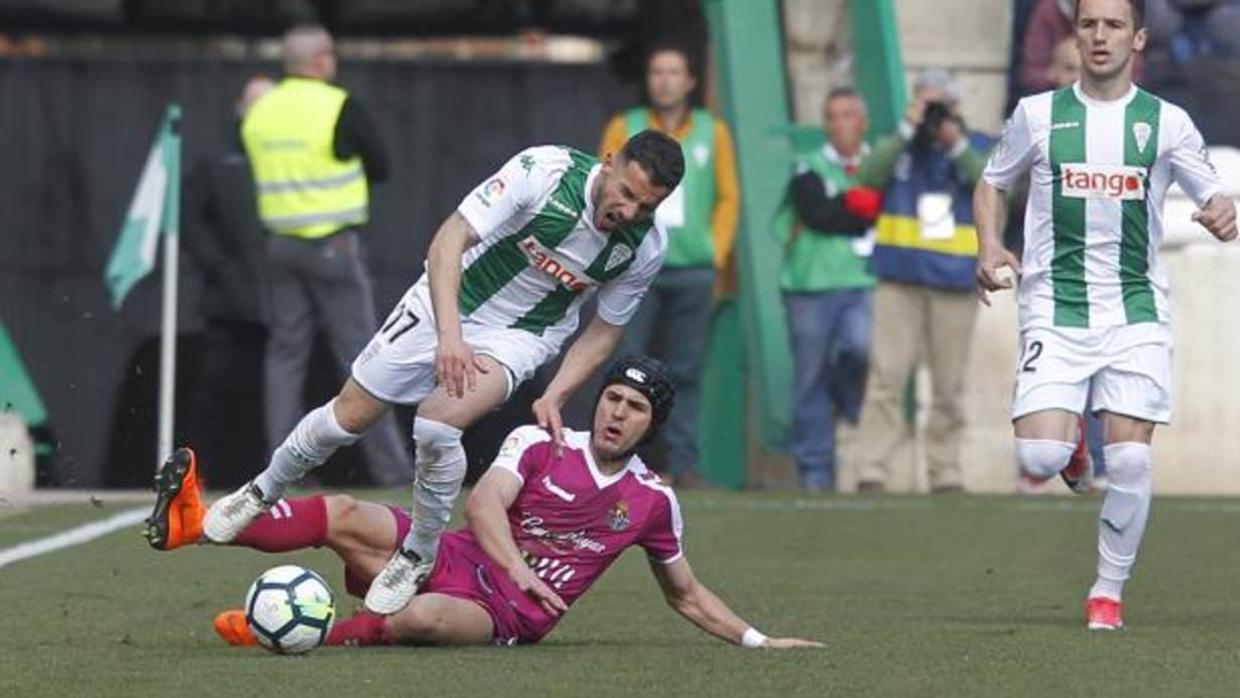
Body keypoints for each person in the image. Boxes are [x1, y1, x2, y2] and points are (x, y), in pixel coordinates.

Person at [203, 129, 686, 618]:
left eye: (645, 207)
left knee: (437, 424)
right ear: (608, 164)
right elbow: (447, 241)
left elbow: (604, 331)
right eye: (626, 194)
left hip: (520, 336)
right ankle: (263, 489)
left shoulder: (644, 246)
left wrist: (556, 395)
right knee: (346, 420)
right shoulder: (544, 172)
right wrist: (451, 337)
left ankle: (417, 552)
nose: (628, 212)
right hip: (446, 301)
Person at [145, 357, 820, 650]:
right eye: (613, 397)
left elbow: (686, 595)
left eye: (634, 407)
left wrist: (758, 639)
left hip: (508, 612)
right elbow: (482, 509)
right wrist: (519, 563)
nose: (617, 412)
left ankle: (291, 630)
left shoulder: (650, 503)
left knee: (423, 619)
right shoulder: (539, 442)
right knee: (346, 511)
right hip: (459, 554)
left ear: (652, 423)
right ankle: (197, 525)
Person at [974, 0, 1237, 629]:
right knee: (1037, 457)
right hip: (1055, 305)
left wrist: (1223, 212)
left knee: (1132, 460)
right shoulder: (1036, 115)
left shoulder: (1166, 122)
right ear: (1076, 34)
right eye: (1089, 23)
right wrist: (987, 242)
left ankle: (1107, 593)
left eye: (1114, 24)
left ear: (1138, 37)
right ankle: (1069, 455)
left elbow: (1215, 192)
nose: (1100, 36)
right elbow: (992, 181)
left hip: (1135, 308)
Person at [241, 24, 412, 488]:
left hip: (279, 244)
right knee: (364, 357)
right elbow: (380, 165)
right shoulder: (337, 104)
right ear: (319, 60)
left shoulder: (260, 110)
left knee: (284, 356)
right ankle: (392, 471)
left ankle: (280, 470)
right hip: (333, 245)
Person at [598, 42, 740, 488]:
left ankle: (683, 462)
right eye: (657, 72)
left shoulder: (712, 131)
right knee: (626, 362)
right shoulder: (625, 126)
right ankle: (618, 460)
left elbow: (728, 197)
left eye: (674, 72)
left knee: (686, 368)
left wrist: (713, 252)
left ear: (690, 81)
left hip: (692, 269)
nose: (665, 80)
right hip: (635, 265)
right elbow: (603, 184)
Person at [850, 69, 994, 493]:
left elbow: (992, 182)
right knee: (885, 378)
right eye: (926, 104)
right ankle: (872, 468)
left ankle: (945, 470)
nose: (933, 115)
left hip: (954, 281)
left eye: (940, 107)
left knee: (948, 385)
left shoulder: (978, 145)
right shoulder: (899, 146)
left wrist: (956, 142)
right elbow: (868, 175)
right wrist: (906, 128)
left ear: (955, 107)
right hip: (900, 277)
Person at [773, 88, 882, 492]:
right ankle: (815, 472)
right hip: (809, 286)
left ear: (863, 121)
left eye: (849, 115)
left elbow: (877, 209)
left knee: (861, 347)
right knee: (808, 380)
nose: (840, 124)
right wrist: (859, 210)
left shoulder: (880, 165)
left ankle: (845, 392)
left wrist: (845, 208)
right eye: (832, 116)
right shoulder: (807, 167)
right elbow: (817, 213)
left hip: (862, 280)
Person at [184, 75, 274, 488]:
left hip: (280, 301)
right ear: (239, 107)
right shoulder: (217, 158)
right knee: (215, 391)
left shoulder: (289, 158)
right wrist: (221, 267)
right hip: (228, 303)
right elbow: (189, 220)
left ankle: (275, 474)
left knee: (276, 391)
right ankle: (199, 473)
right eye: (254, 104)